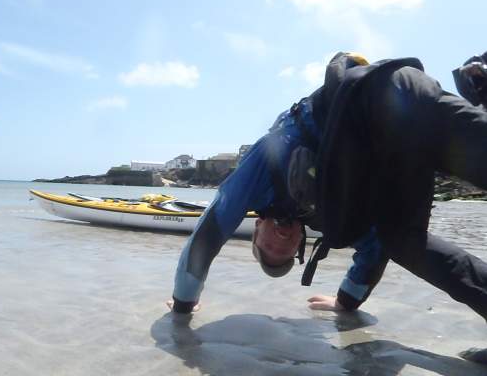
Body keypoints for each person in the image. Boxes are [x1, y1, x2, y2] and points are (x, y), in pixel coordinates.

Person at [168, 51, 487, 361]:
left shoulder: (265, 168)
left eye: (268, 247)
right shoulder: (328, 213)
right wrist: (346, 300)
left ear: (256, 231)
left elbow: (213, 225)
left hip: (383, 97)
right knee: (403, 242)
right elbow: (374, 249)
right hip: (400, 157)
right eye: (286, 251)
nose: (280, 242)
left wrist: (183, 302)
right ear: (300, 244)